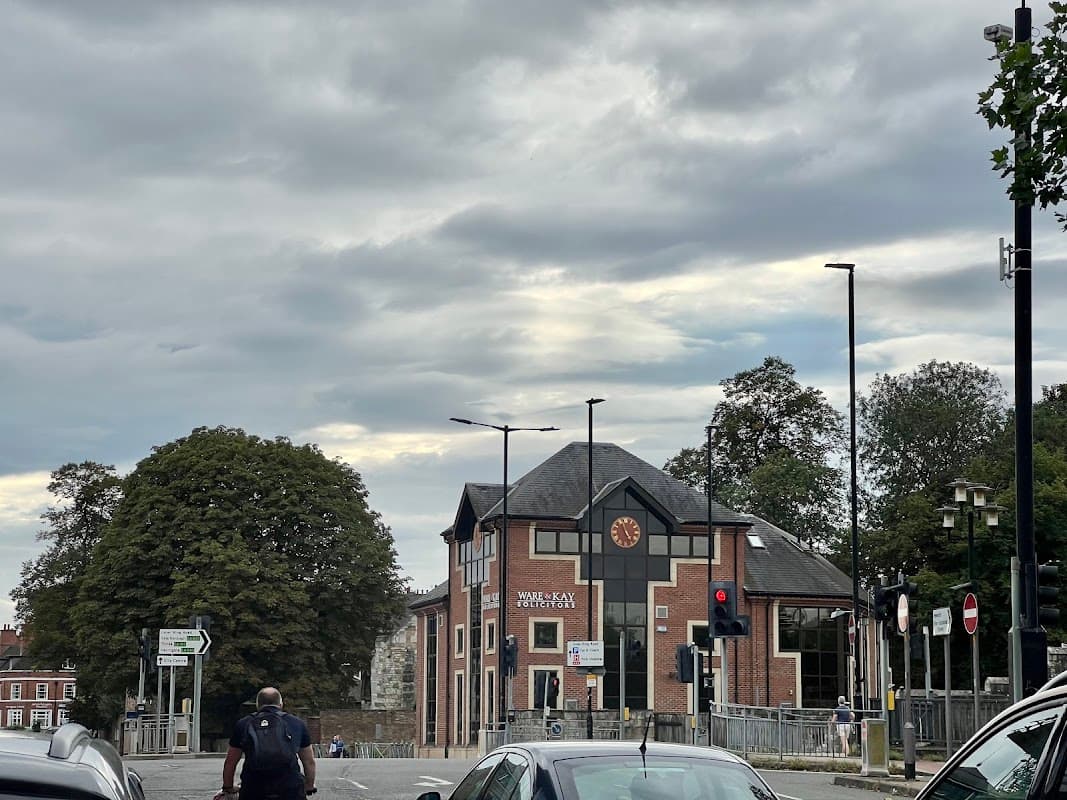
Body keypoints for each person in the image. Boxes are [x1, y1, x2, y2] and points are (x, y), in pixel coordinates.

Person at [218, 687, 317, 800]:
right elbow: (309, 761)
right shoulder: (296, 723)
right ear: (281, 704)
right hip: (290, 788)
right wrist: (309, 786)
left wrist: (228, 787)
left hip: (253, 788)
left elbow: (230, 762)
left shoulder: (243, 724)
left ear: (257, 705)